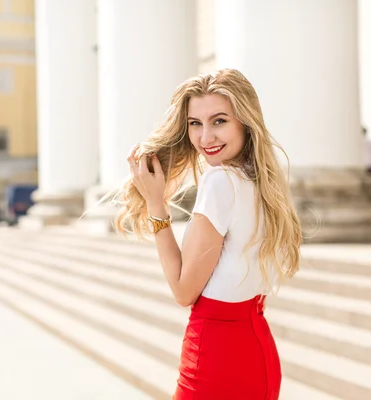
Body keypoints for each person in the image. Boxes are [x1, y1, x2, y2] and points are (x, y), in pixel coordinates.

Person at [115, 69, 302, 399]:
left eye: (219, 121)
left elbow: (184, 290)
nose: (205, 137)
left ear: (245, 121)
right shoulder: (261, 180)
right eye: (195, 124)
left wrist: (156, 205)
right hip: (255, 347)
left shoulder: (220, 182)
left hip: (218, 354)